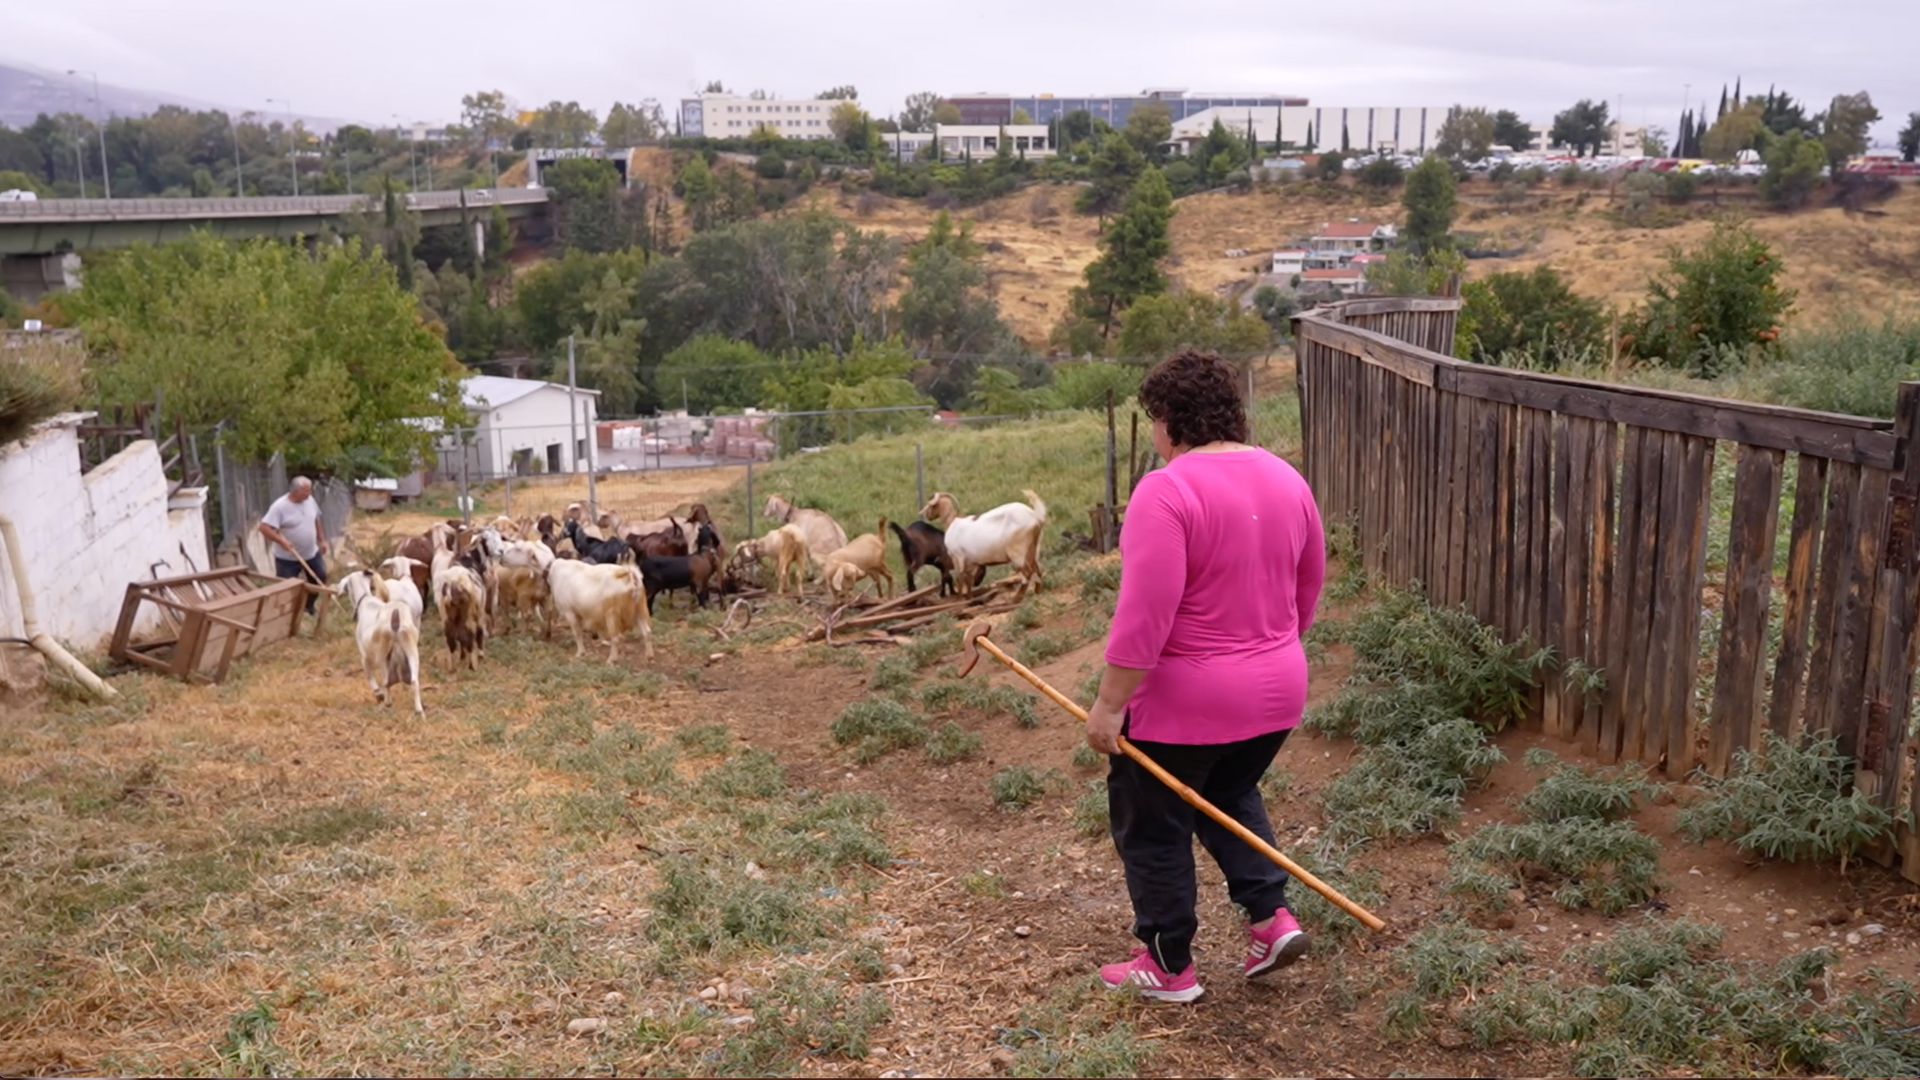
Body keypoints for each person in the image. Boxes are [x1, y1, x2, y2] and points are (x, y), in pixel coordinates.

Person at [1087, 351, 1327, 1004]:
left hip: (1186, 702)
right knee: (1226, 792)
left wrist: (1109, 707)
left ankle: (1167, 964)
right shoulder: (1286, 478)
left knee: (1153, 820)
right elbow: (1306, 591)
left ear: (1166, 420)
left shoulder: (1167, 490)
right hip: (1277, 691)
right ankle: (1271, 918)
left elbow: (1145, 617)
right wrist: (1265, 655)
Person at [259, 476, 330, 614]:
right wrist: (282, 541)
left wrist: (322, 540)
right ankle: (287, 614)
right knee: (286, 588)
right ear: (295, 491)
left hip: (311, 553)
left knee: (319, 578)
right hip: (288, 558)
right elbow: (264, 528)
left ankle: (308, 606)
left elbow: (316, 519)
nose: (309, 494)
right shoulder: (280, 506)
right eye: (305, 491)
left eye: (309, 491)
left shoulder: (310, 501)